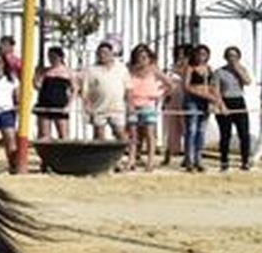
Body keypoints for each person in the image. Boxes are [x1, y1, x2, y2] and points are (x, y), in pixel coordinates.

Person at [123, 44, 166, 172]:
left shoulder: (153, 69)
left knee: (149, 134)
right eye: (139, 57)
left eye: (144, 57)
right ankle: (131, 160)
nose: (142, 59)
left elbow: (170, 84)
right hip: (132, 104)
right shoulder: (130, 70)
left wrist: (159, 94)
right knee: (133, 134)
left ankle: (150, 161)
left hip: (148, 104)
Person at [212, 46, 253, 171]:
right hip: (225, 101)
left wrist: (237, 69)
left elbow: (248, 81)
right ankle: (224, 161)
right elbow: (216, 90)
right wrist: (221, 105)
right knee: (225, 134)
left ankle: (245, 161)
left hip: (239, 101)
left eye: (235, 56)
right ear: (225, 57)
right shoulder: (219, 72)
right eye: (230, 55)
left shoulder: (242, 69)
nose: (232, 58)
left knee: (244, 133)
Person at [80, 42, 128, 141]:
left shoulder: (121, 68)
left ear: (111, 54)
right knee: (99, 135)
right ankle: (101, 156)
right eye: (100, 53)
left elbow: (128, 88)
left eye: (105, 53)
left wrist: (129, 104)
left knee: (120, 133)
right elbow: (85, 91)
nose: (102, 55)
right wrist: (87, 106)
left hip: (117, 107)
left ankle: (123, 153)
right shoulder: (91, 70)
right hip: (99, 107)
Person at [180, 44, 217, 173]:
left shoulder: (208, 69)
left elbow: (212, 86)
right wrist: (202, 94)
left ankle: (198, 159)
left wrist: (214, 99)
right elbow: (186, 86)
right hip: (192, 101)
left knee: (201, 131)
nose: (201, 57)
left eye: (204, 54)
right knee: (191, 130)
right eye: (199, 54)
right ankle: (189, 159)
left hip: (205, 101)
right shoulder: (190, 68)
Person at [32, 46, 72, 141]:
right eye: (49, 56)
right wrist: (37, 75)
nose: (52, 59)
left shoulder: (67, 72)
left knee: (63, 134)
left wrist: (69, 105)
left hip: (60, 105)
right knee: (44, 135)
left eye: (54, 57)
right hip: (45, 104)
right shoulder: (45, 71)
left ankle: (64, 154)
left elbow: (74, 89)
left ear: (60, 57)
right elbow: (37, 86)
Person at [161, 43, 191, 167]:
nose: (181, 57)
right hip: (172, 100)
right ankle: (168, 155)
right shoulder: (171, 67)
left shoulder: (190, 68)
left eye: (184, 54)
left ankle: (188, 156)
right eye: (179, 54)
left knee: (187, 129)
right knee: (171, 130)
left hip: (186, 99)